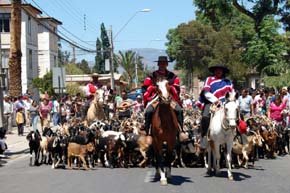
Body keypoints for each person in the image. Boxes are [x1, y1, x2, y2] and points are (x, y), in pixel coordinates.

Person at [142, 56, 183, 136]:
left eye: (164, 63)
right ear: (158, 64)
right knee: (149, 111)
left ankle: (181, 130)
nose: (162, 65)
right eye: (160, 63)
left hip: (169, 98)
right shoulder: (152, 76)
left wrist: (168, 88)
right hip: (156, 98)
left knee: (179, 110)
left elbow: (176, 87)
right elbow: (145, 87)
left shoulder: (172, 76)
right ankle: (147, 131)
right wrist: (154, 88)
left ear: (167, 64)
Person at [197, 64, 233, 148]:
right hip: (211, 102)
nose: (218, 71)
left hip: (226, 103)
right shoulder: (209, 79)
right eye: (217, 70)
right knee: (205, 117)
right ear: (214, 71)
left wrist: (228, 101)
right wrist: (216, 100)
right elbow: (206, 92)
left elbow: (231, 93)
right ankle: (205, 137)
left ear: (223, 72)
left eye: (220, 70)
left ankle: (237, 138)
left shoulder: (228, 82)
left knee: (236, 116)